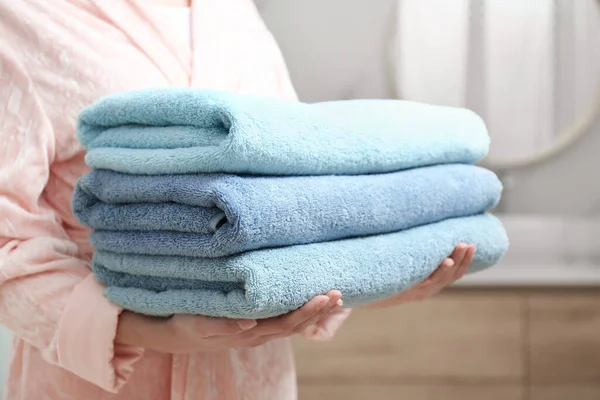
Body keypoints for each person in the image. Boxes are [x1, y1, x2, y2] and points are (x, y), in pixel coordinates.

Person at [0, 0, 476, 398]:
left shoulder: (230, 11)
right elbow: (7, 238)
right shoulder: (24, 15)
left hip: (254, 380)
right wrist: (149, 329)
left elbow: (298, 198)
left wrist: (383, 273)